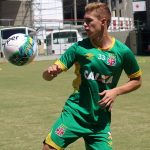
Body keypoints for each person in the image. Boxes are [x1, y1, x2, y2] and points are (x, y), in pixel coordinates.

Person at [42, 2, 142, 150]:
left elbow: (137, 80)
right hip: (74, 113)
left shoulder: (123, 52)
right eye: (84, 21)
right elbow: (47, 77)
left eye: (89, 21)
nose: (85, 25)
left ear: (103, 22)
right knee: (48, 148)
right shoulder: (78, 48)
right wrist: (49, 72)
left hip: (100, 122)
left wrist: (115, 91)